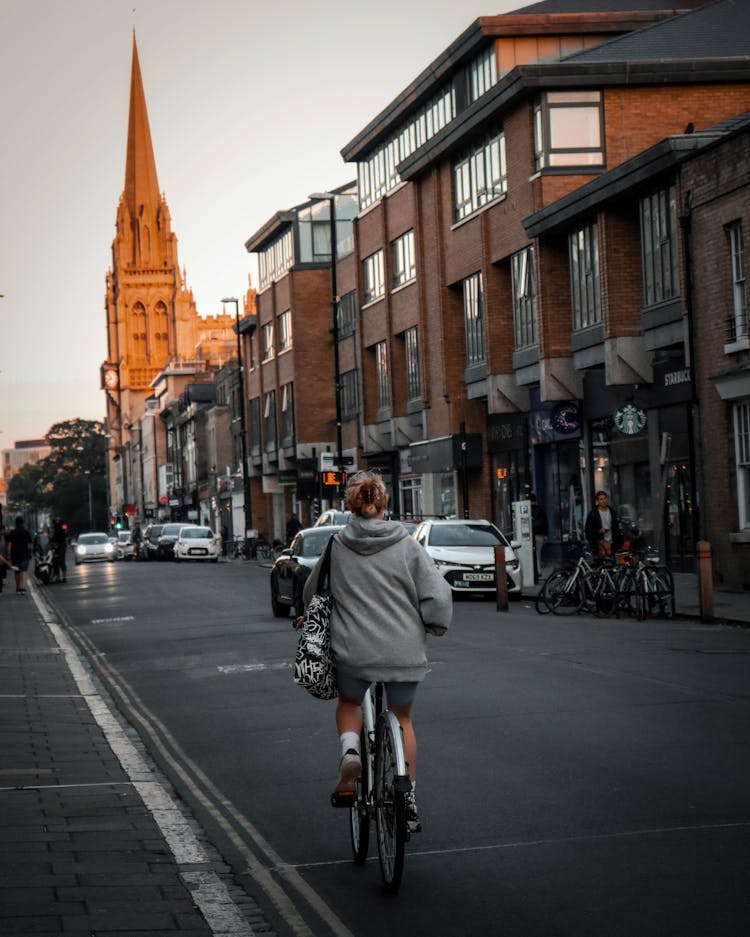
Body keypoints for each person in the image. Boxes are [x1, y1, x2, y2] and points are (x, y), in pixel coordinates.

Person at [299, 471, 453, 832]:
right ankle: (408, 796)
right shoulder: (407, 545)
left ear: (350, 506)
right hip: (403, 652)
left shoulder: (337, 545)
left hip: (353, 653)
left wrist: (308, 613)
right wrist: (434, 622)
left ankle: (351, 753)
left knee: (351, 702)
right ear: (385, 503)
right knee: (402, 718)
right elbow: (437, 598)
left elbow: (312, 591)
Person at [584, 491, 622, 557]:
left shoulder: (612, 512)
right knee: (603, 559)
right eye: (601, 499)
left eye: (605, 498)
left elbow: (616, 527)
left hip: (612, 540)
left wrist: (618, 540)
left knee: (613, 558)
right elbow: (588, 529)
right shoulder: (593, 514)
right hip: (600, 541)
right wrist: (598, 531)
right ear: (597, 501)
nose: (603, 501)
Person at [6, 515, 33, 594]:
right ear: (22, 523)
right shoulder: (26, 532)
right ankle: (23, 588)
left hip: (15, 555)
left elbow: (10, 545)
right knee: (24, 571)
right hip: (24, 554)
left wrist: (9, 555)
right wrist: (31, 553)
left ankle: (18, 588)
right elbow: (30, 544)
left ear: (15, 523)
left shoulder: (12, 532)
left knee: (17, 571)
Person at [529, 492, 548, 583]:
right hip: (540, 535)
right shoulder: (541, 510)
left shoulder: (529, 510)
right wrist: (546, 535)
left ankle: (537, 571)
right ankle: (538, 571)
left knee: (534, 554)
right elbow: (545, 522)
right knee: (538, 554)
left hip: (532, 535)